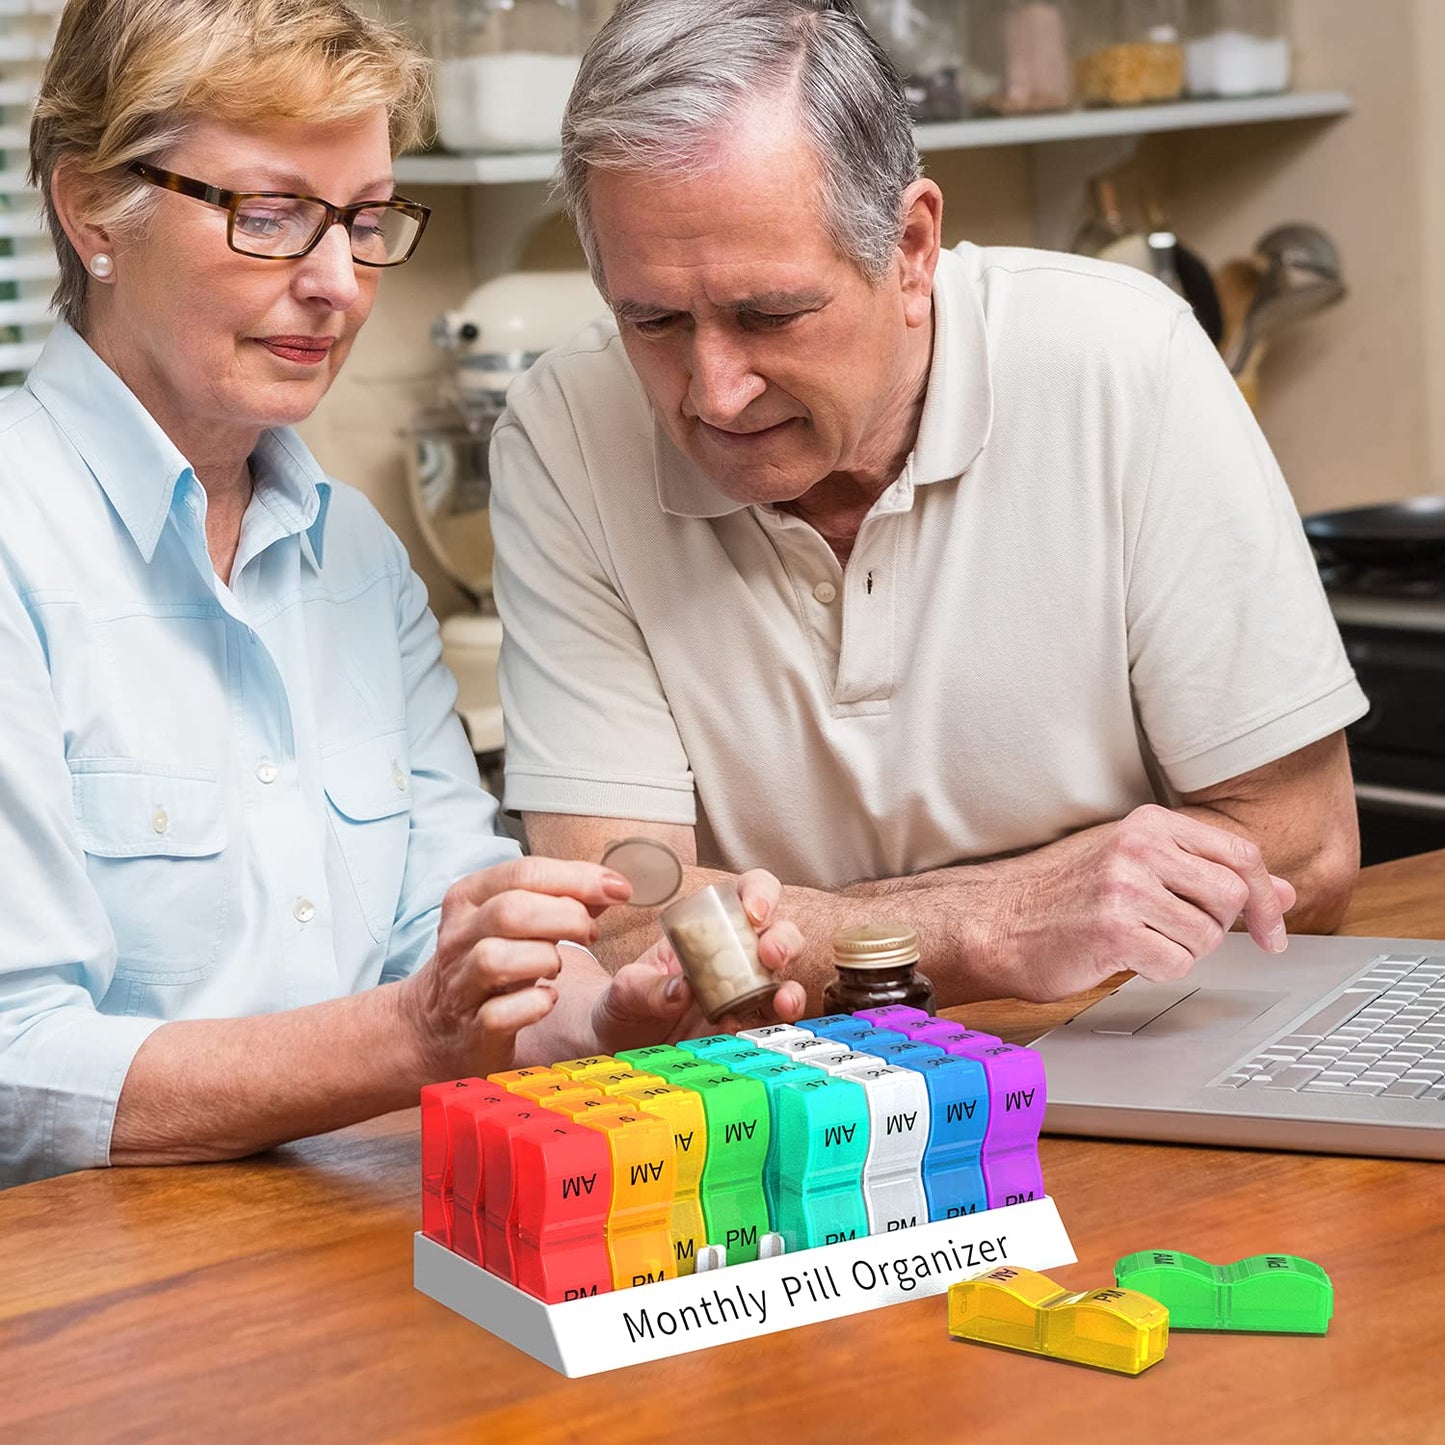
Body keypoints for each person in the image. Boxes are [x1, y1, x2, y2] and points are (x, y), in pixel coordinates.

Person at [0, 0, 804, 1189]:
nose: (339, 284)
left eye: (367, 219)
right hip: (92, 1308)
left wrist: (617, 1013)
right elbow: (21, 1074)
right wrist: (409, 1034)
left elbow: (451, 953)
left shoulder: (357, 560)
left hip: (351, 1247)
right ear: (89, 211)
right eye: (271, 216)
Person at [489, 0, 1366, 1010]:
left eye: (767, 314)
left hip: (1123, 1042)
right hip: (791, 1107)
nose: (712, 389)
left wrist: (808, 930)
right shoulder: (564, 429)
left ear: (910, 248)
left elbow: (1304, 851)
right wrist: (987, 924)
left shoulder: (1125, 363)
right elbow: (623, 913)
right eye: (650, 320)